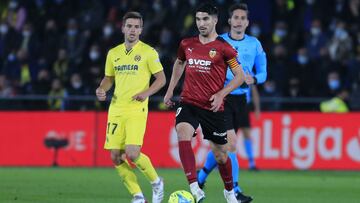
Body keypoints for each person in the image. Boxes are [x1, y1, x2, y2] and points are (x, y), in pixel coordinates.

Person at [164, 3, 245, 203]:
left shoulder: (224, 48)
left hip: (212, 106)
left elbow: (240, 76)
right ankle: (194, 187)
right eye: (198, 19)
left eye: (205, 19)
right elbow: (180, 63)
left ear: (215, 20)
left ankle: (229, 192)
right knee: (182, 132)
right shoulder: (187, 44)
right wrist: (170, 89)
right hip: (188, 101)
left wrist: (221, 94)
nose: (201, 23)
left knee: (221, 155)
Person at [197, 3, 267, 202]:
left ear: (247, 22)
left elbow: (263, 73)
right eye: (235, 17)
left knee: (221, 147)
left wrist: (254, 79)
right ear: (229, 21)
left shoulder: (255, 44)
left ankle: (200, 178)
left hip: (241, 100)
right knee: (231, 144)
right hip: (221, 98)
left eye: (243, 18)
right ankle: (234, 190)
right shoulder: (218, 41)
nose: (239, 21)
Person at [95, 12, 166, 203]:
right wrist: (102, 89)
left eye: (136, 27)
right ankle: (138, 196)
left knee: (132, 153)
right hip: (116, 108)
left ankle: (157, 182)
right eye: (129, 26)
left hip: (137, 108)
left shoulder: (149, 52)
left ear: (141, 30)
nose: (133, 30)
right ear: (123, 28)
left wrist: (146, 93)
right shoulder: (113, 53)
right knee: (116, 156)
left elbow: (161, 79)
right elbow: (109, 78)